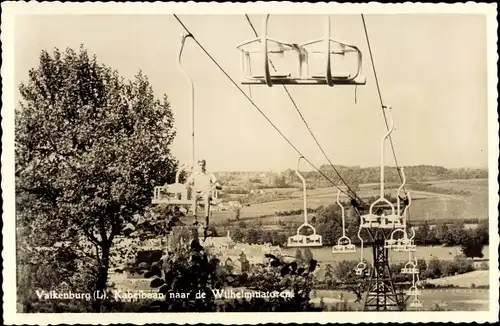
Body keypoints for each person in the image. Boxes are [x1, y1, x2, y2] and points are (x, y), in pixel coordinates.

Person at [185, 159, 221, 239]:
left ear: (205, 165)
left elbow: (216, 182)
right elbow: (188, 182)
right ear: (198, 165)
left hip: (205, 192)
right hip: (197, 191)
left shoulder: (209, 174)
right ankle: (194, 217)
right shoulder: (195, 174)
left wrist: (218, 185)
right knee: (194, 198)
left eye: (203, 164)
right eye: (200, 165)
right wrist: (189, 186)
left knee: (206, 198)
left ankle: (206, 219)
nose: (201, 166)